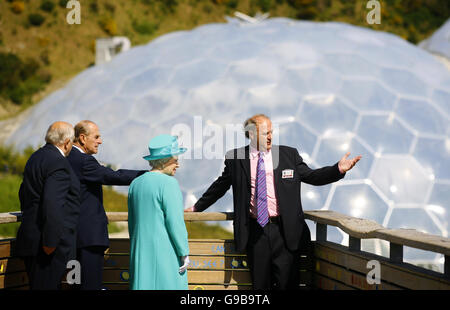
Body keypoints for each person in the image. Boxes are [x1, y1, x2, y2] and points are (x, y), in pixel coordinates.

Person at [186, 114, 361, 290]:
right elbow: (220, 186)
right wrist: (196, 207)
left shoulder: (288, 155)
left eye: (271, 132)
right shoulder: (236, 158)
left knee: (288, 285)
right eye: (265, 133)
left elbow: (312, 176)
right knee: (260, 287)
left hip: (285, 233)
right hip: (255, 232)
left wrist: (337, 170)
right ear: (252, 135)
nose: (270, 136)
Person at [67, 120, 146, 290]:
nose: (100, 141)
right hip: (88, 239)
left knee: (75, 284)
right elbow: (113, 176)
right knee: (90, 285)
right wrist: (147, 175)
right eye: (96, 137)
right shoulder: (85, 161)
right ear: (82, 138)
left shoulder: (66, 158)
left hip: (72, 238)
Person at [15, 121, 80, 290]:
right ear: (67, 143)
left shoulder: (35, 157)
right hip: (47, 245)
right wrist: (50, 243)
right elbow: (53, 205)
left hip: (31, 237)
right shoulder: (58, 162)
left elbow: (23, 193)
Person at [128, 134, 189, 290]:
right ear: (165, 160)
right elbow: (175, 222)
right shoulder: (169, 183)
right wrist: (183, 251)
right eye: (175, 160)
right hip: (165, 251)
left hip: (140, 251)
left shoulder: (136, 183)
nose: (178, 165)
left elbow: (132, 221)